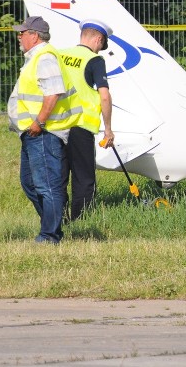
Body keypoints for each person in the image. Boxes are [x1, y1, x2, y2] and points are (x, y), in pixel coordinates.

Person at [7, 16, 79, 243]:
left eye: (23, 33)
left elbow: (53, 93)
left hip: (44, 133)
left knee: (47, 185)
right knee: (30, 183)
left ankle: (50, 235)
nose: (19, 36)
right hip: (32, 133)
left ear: (34, 36)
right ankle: (53, 225)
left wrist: (39, 122)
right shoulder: (35, 57)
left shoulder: (45, 57)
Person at [58, 19, 114, 221]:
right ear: (99, 39)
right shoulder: (94, 60)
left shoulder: (60, 55)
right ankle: (79, 222)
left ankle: (57, 220)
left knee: (59, 177)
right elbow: (104, 96)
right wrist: (108, 129)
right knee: (83, 178)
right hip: (81, 126)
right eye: (102, 46)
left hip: (56, 126)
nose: (100, 50)